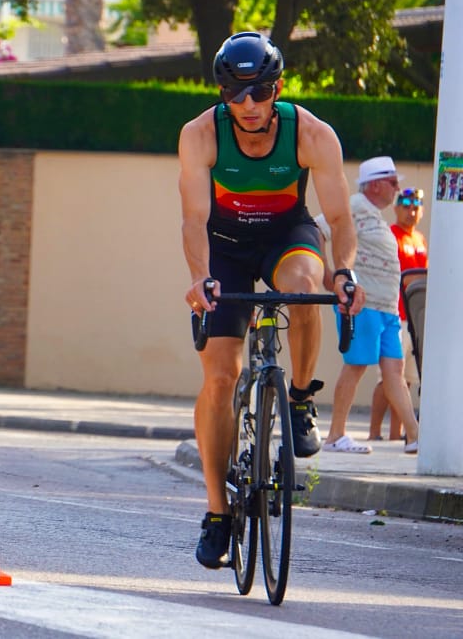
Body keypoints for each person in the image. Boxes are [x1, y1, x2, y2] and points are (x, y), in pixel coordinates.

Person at [179, 32, 364, 570]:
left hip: (287, 236)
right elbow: (193, 219)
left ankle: (300, 398)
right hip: (225, 245)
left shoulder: (311, 133)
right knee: (219, 378)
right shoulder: (200, 135)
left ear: (277, 89)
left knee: (305, 286)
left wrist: (344, 271)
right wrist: (200, 277)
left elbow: (339, 218)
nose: (249, 105)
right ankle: (217, 513)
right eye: (236, 94)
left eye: (260, 92)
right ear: (222, 95)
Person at [316, 157, 419, 454]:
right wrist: (328, 275)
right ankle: (335, 435)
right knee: (356, 365)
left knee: (394, 371)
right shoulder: (356, 205)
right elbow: (317, 229)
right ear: (375, 185)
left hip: (386, 308)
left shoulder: (372, 213)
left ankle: (415, 436)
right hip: (363, 305)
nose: (397, 189)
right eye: (392, 182)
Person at [369, 187, 427, 441]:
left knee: (407, 380)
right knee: (388, 378)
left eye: (415, 207)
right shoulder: (391, 235)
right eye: (406, 206)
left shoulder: (420, 239)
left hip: (414, 318)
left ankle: (396, 433)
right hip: (394, 314)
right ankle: (374, 432)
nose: (411, 211)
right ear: (396, 208)